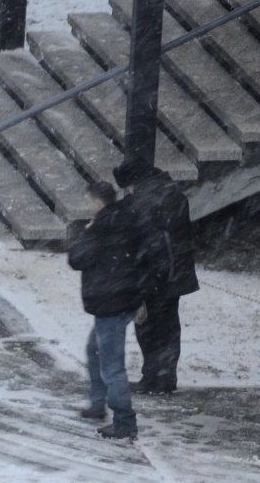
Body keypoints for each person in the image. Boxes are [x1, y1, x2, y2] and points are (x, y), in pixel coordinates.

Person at [68, 181, 148, 440]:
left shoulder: (101, 228)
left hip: (109, 301)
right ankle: (97, 404)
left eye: (89, 201)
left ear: (97, 202)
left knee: (111, 366)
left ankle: (124, 421)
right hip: (124, 298)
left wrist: (87, 233)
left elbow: (77, 259)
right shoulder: (125, 219)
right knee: (95, 350)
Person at [113, 157, 199, 395]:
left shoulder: (142, 201)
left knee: (148, 328)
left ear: (133, 181)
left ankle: (152, 378)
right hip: (175, 274)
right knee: (169, 327)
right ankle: (166, 377)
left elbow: (144, 245)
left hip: (153, 276)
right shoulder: (172, 191)